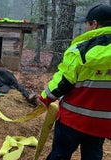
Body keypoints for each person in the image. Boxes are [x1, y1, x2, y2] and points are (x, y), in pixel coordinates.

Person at [38, 4, 111, 160]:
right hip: (102, 122)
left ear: (95, 24)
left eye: (86, 23)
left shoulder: (80, 50)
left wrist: (45, 97)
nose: (85, 27)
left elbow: (64, 81)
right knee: (93, 154)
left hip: (73, 119)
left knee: (60, 154)